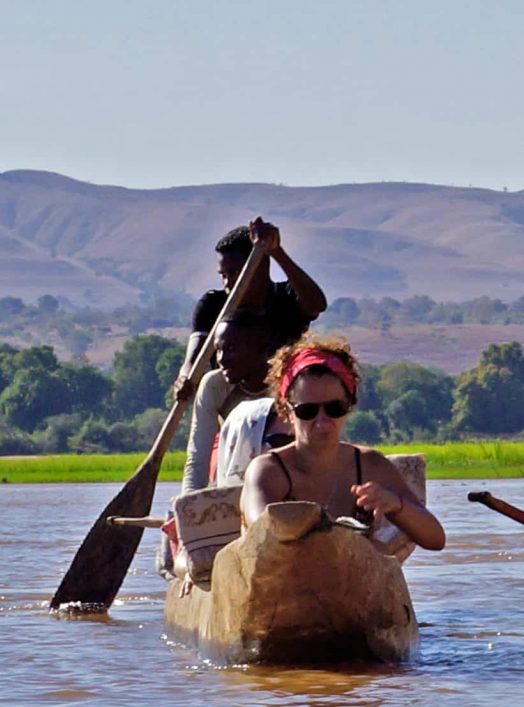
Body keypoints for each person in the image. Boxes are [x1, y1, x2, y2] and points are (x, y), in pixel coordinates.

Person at [240, 338, 445, 553]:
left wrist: (396, 504)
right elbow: (261, 534)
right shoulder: (268, 470)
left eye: (335, 408)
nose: (322, 421)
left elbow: (435, 539)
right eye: (307, 411)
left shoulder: (369, 465)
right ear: (287, 412)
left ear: (349, 406)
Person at [186, 219, 325, 377]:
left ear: (261, 266)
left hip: (282, 393)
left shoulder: (288, 297)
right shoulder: (212, 305)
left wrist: (276, 252)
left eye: (234, 273)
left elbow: (317, 305)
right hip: (228, 397)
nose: (227, 283)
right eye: (223, 275)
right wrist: (185, 380)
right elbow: (192, 361)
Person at [181, 322, 279, 491]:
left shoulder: (286, 385)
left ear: (261, 349)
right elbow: (198, 459)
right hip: (231, 476)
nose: (221, 359)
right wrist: (188, 504)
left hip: (278, 476)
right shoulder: (214, 385)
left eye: (232, 349)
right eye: (218, 349)